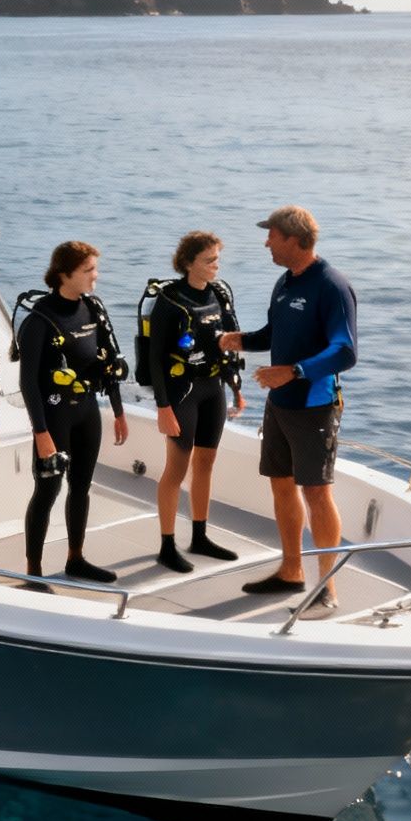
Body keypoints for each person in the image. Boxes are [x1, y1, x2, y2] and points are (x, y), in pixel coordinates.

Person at [220, 206, 357, 613]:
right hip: (279, 404)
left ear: (295, 239)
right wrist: (239, 340)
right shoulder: (284, 282)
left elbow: (345, 350)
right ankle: (291, 571)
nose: (266, 242)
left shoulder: (332, 286)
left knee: (316, 491)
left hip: (314, 405)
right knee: (280, 483)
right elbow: (273, 334)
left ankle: (328, 587)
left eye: (273, 235)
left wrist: (294, 372)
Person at [16, 241, 130, 584]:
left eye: (95, 268)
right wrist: (41, 434)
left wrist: (118, 409)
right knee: (48, 491)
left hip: (86, 411)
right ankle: (33, 572)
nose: (96, 276)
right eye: (88, 270)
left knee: (81, 486)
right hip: (54, 416)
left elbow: (107, 362)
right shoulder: (39, 321)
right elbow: (29, 384)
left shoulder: (92, 308)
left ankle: (75, 558)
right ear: (64, 274)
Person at [149, 230, 246, 573]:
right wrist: (163, 407)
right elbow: (155, 357)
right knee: (176, 469)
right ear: (188, 263)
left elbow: (230, 341)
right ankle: (167, 545)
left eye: (217, 258)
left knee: (205, 463)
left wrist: (236, 386)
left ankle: (200, 536)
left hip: (213, 389)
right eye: (209, 260)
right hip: (182, 393)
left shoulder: (219, 294)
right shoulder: (170, 301)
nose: (215, 266)